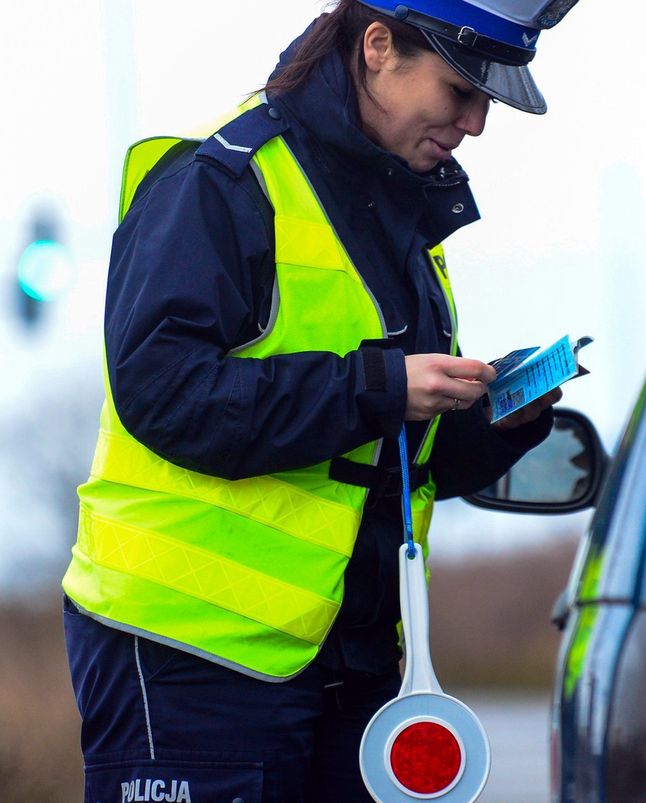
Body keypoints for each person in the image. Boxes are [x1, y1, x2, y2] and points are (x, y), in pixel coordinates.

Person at [60, 1, 582, 800]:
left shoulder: (398, 214)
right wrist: (381, 386)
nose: (476, 122)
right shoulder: (223, 179)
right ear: (378, 48)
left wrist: (494, 421)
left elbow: (380, 459)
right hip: (189, 655)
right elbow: (162, 394)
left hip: (351, 667)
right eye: (459, 90)